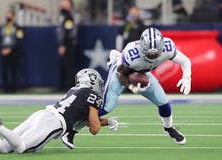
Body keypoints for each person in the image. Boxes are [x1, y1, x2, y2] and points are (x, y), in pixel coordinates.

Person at [63, 27, 191, 146]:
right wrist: (132, 88)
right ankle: (71, 130)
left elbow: (185, 61)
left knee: (163, 102)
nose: (152, 56)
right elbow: (121, 74)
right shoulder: (132, 53)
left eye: (155, 54)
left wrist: (187, 76)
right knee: (107, 106)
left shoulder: (168, 47)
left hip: (142, 72)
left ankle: (168, 128)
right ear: (142, 47)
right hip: (121, 71)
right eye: (149, 53)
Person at [0, 68, 118, 153]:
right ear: (92, 81)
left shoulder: (74, 90)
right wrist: (100, 116)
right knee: (22, 148)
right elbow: (93, 128)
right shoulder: (91, 95)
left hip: (42, 114)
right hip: (54, 123)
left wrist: (108, 121)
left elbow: (85, 119)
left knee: (3, 147)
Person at [0, 10, 24, 93]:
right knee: (4, 70)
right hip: (4, 52)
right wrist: (3, 49)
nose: (8, 19)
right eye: (7, 17)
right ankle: (5, 88)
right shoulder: (3, 28)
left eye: (10, 17)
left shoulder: (18, 28)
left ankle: (14, 88)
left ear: (13, 17)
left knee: (14, 70)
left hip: (14, 53)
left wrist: (10, 49)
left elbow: (20, 40)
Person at [56, 0, 78, 91]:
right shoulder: (63, 15)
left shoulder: (68, 17)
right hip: (65, 45)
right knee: (63, 66)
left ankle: (69, 86)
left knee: (69, 66)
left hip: (68, 45)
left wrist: (63, 45)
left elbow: (68, 32)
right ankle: (62, 86)